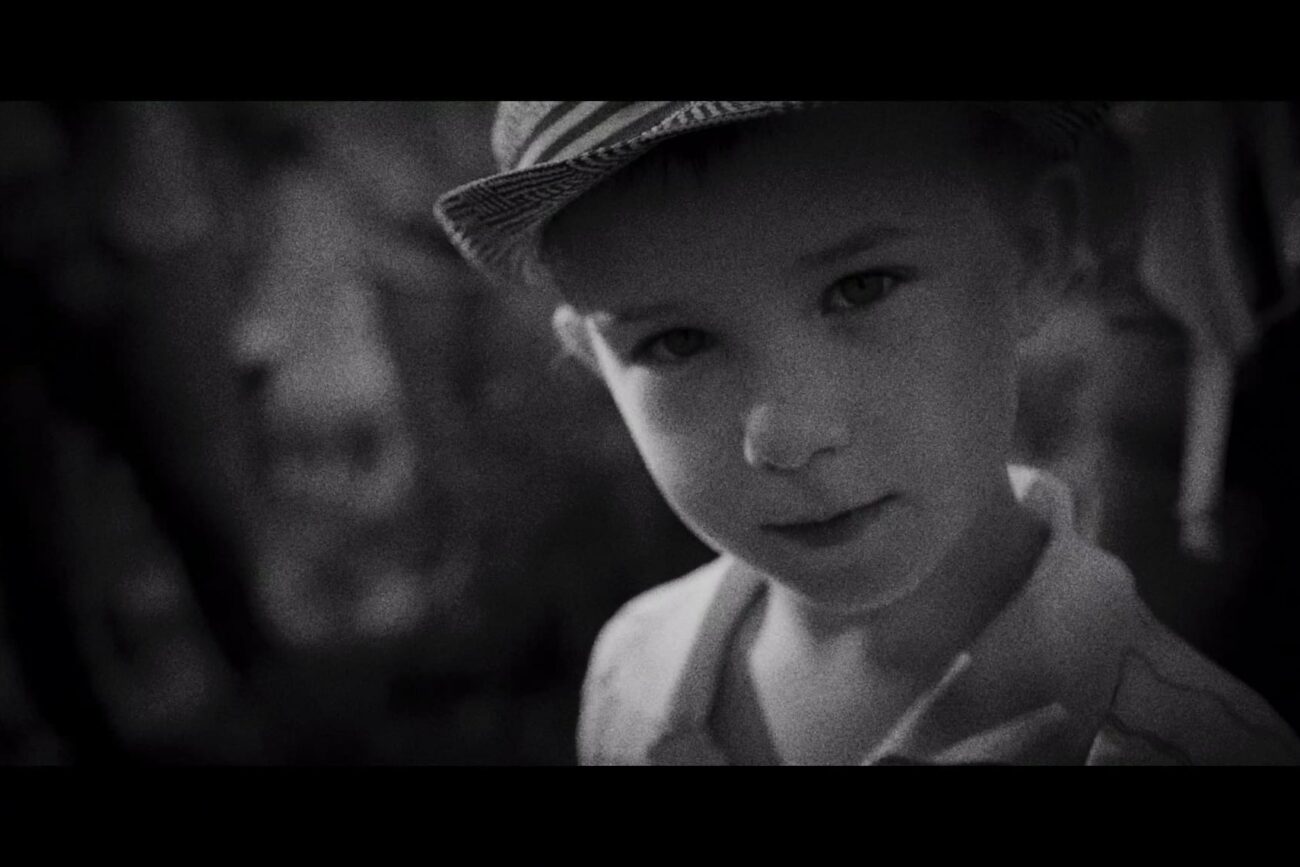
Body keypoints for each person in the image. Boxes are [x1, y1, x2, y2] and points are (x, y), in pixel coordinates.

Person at [434, 101, 1300, 765]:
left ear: (1035, 251)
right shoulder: (631, 669)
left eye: (861, 287)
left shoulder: (1193, 744)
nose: (787, 436)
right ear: (594, 361)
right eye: (676, 342)